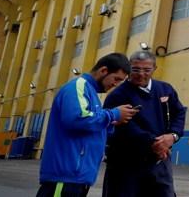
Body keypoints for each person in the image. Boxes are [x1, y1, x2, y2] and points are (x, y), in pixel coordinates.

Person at [37, 53, 137, 197]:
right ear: (103, 71)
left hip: (78, 178)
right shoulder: (79, 87)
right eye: (116, 79)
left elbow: (88, 128)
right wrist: (113, 114)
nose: (115, 84)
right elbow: (77, 119)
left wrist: (110, 123)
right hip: (65, 177)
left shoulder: (90, 93)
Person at [102, 51, 187, 197]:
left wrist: (173, 136)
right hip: (126, 164)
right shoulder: (117, 96)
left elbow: (179, 113)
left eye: (147, 70)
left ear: (155, 69)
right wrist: (155, 143)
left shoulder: (165, 90)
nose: (141, 74)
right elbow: (124, 127)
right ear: (129, 69)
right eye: (136, 69)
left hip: (160, 161)